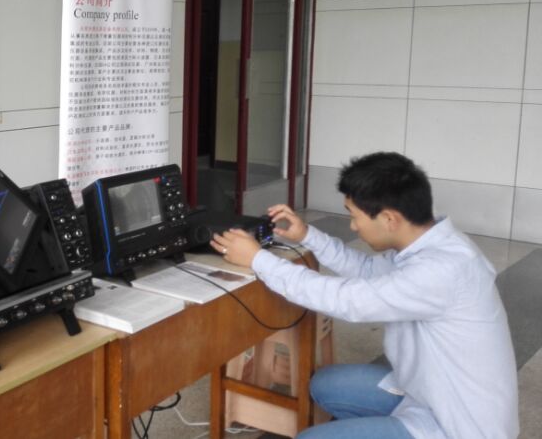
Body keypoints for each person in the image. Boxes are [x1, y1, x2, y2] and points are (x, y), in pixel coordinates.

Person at [211, 152, 518, 439]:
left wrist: (258, 260)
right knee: (326, 386)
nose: (353, 226)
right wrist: (307, 235)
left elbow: (347, 300)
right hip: (429, 393)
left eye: (355, 216)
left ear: (389, 219)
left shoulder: (442, 270)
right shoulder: (430, 244)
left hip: (459, 426)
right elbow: (367, 270)